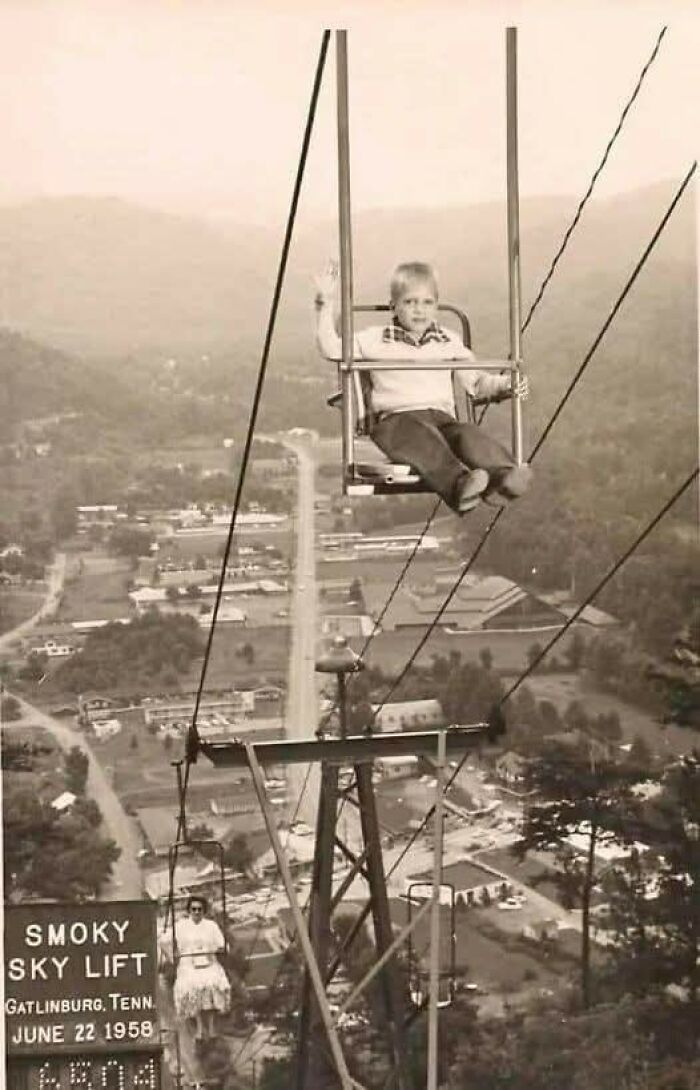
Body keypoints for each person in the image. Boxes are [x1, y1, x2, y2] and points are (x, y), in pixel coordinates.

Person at [314, 260, 531, 514]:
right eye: (410, 302)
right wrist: (324, 302)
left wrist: (506, 385)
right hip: (395, 421)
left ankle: (502, 477)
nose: (419, 310)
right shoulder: (374, 339)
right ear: (394, 306)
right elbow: (331, 348)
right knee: (421, 439)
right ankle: (459, 484)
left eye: (427, 302)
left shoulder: (448, 341)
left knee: (467, 434)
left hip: (441, 418)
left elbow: (477, 382)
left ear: (436, 306)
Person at [161, 895, 230, 1041]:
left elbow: (221, 943)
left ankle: (211, 1027)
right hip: (188, 964)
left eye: (199, 909)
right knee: (192, 988)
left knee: (213, 985)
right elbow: (164, 940)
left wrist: (217, 950)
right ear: (189, 911)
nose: (196, 912)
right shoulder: (181, 926)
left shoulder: (211, 925)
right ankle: (199, 1027)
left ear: (204, 911)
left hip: (208, 961)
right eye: (193, 909)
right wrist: (172, 956)